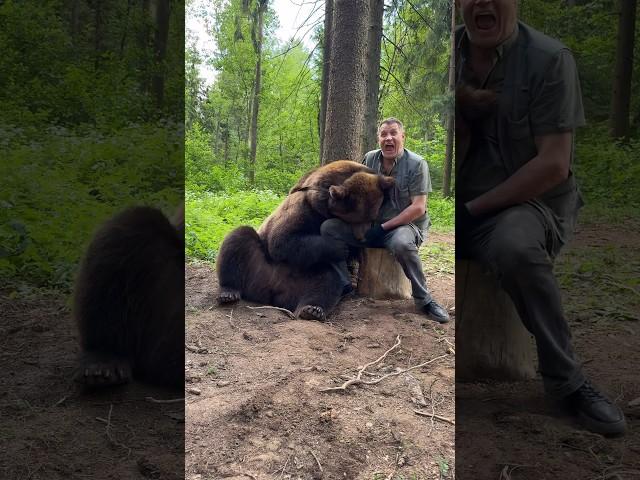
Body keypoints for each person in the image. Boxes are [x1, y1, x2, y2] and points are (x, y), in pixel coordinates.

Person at [455, 0, 626, 435]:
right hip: (458, 205)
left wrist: (473, 210)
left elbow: (553, 165)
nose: (483, 4)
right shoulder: (449, 55)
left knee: (516, 247)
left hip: (526, 205)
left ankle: (567, 382)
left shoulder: (549, 59)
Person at [321, 118, 450, 324]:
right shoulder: (369, 159)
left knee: (402, 244)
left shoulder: (417, 164)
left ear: (402, 137)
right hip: (371, 225)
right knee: (329, 229)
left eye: (393, 134)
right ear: (378, 138)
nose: (388, 138)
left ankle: (424, 300)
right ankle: (344, 284)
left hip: (403, 226)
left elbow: (418, 207)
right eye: (384, 134)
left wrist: (383, 228)